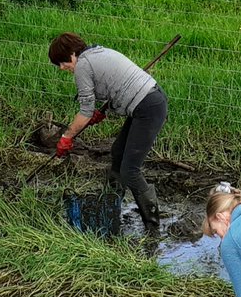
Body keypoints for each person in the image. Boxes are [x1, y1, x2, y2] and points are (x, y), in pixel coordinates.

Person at [48, 32, 168, 234]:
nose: (62, 68)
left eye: (61, 62)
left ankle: (153, 226)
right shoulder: (97, 52)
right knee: (118, 153)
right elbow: (116, 85)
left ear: (71, 53)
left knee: (130, 170)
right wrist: (103, 110)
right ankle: (112, 206)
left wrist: (66, 137)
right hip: (148, 101)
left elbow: (85, 111)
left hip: (147, 107)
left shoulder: (83, 66)